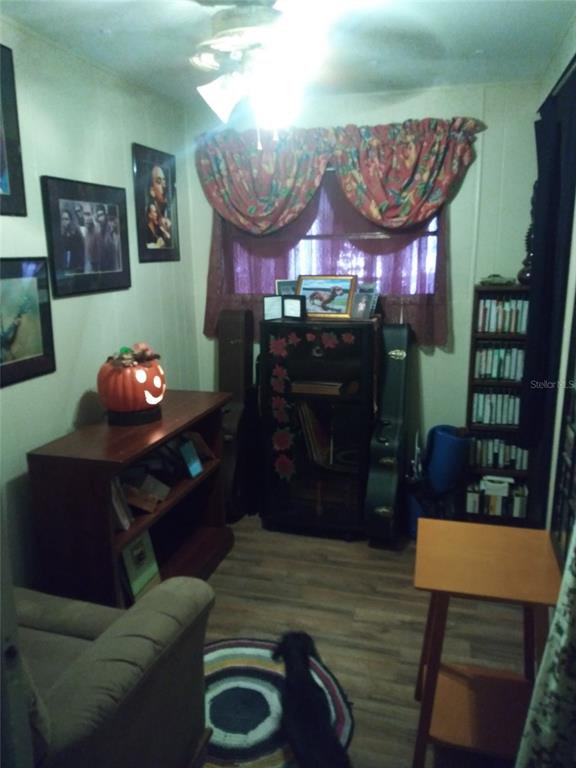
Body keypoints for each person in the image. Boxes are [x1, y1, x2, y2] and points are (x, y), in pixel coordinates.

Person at [56, 207, 85, 273]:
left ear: (70, 220)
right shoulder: (60, 234)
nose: (64, 221)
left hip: (74, 268)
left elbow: (80, 252)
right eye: (63, 219)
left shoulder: (76, 234)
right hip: (64, 268)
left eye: (66, 219)